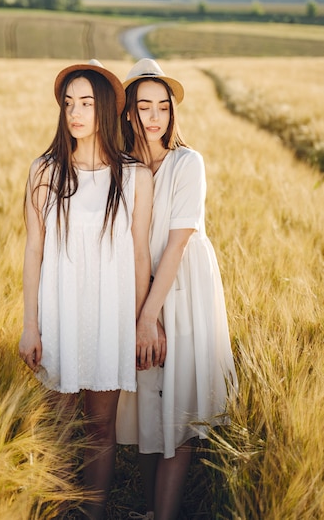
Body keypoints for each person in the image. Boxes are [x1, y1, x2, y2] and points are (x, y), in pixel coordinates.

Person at [18, 60, 153, 520]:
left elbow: (139, 257)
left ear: (108, 109)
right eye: (69, 103)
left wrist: (138, 326)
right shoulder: (44, 172)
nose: (75, 113)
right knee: (54, 426)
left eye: (87, 103)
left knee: (100, 426)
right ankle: (52, 510)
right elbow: (33, 251)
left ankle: (93, 512)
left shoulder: (135, 177)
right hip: (59, 317)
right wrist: (30, 325)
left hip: (110, 318)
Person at [116, 58, 238, 520]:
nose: (153, 117)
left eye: (162, 107)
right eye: (143, 106)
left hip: (183, 289)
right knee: (148, 401)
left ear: (171, 113)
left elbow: (178, 241)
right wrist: (138, 310)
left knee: (178, 406)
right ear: (128, 112)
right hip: (138, 289)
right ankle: (150, 510)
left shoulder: (188, 162)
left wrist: (151, 316)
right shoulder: (122, 169)